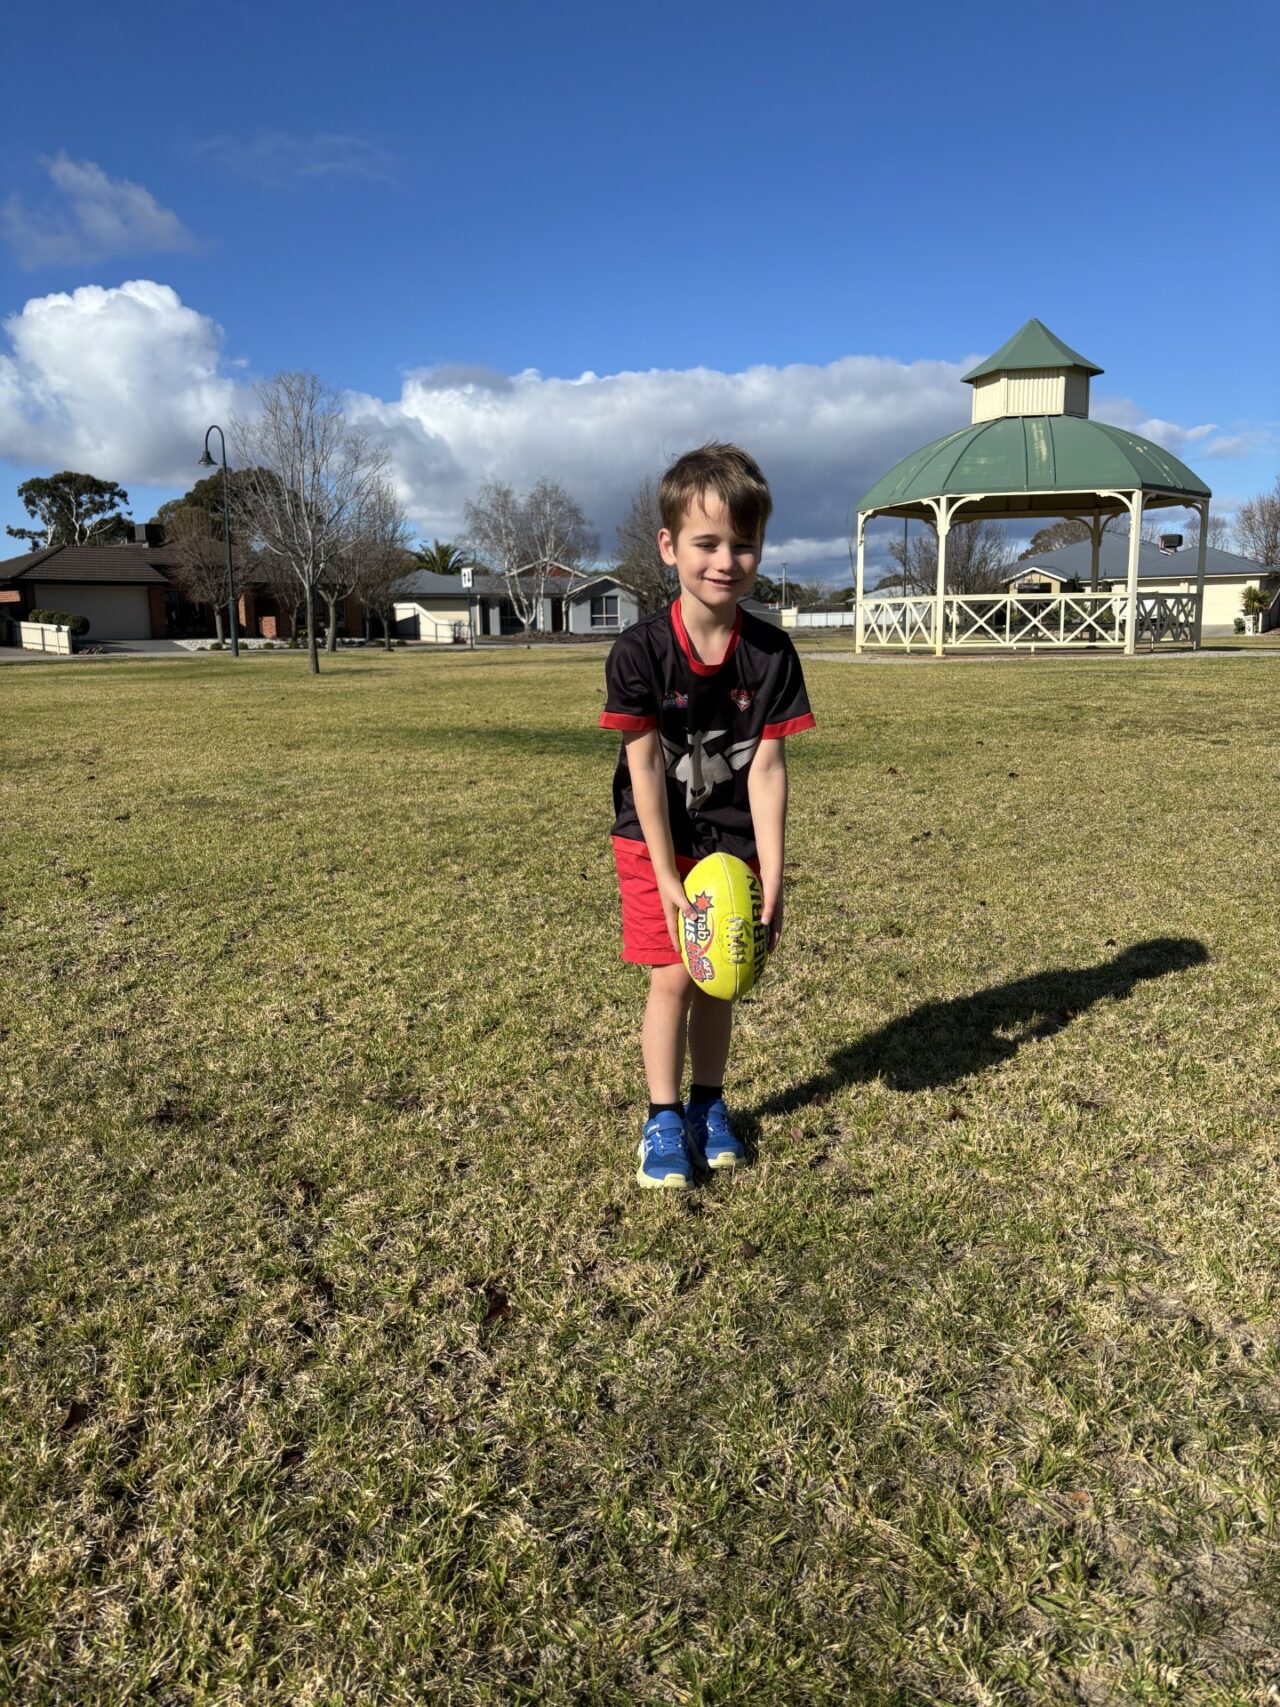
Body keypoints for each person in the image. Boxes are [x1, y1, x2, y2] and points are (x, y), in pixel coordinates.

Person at [599, 443, 815, 1188]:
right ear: (669, 546)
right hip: (655, 839)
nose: (726, 560)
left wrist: (774, 876)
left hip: (733, 846)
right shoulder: (639, 652)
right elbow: (644, 766)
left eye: (743, 544)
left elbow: (768, 768)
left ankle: (707, 1106)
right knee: (672, 976)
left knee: (721, 976)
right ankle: (661, 1118)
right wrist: (664, 874)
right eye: (707, 543)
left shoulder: (773, 654)